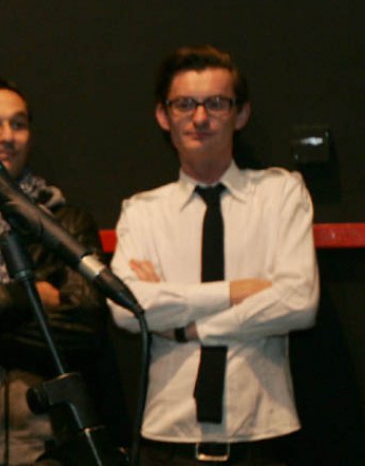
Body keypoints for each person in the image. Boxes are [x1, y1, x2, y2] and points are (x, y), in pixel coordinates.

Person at [109, 45, 319, 465]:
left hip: (262, 437)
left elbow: (298, 303)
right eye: (184, 104)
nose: (200, 118)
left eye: (217, 103)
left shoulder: (281, 194)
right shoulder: (142, 211)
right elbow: (126, 310)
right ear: (163, 116)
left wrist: (185, 328)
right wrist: (236, 291)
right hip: (166, 440)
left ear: (241, 115)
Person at [0, 77, 129, 465]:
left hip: (52, 445)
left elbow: (84, 330)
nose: (7, 136)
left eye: (18, 124)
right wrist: (26, 295)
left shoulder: (66, 224)